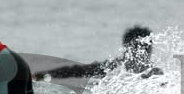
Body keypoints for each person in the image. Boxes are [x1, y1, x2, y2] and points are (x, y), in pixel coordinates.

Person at [33, 25, 163, 80]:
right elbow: (77, 71)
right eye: (138, 47)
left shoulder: (155, 74)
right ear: (126, 47)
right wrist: (44, 75)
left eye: (147, 47)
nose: (143, 51)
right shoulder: (113, 67)